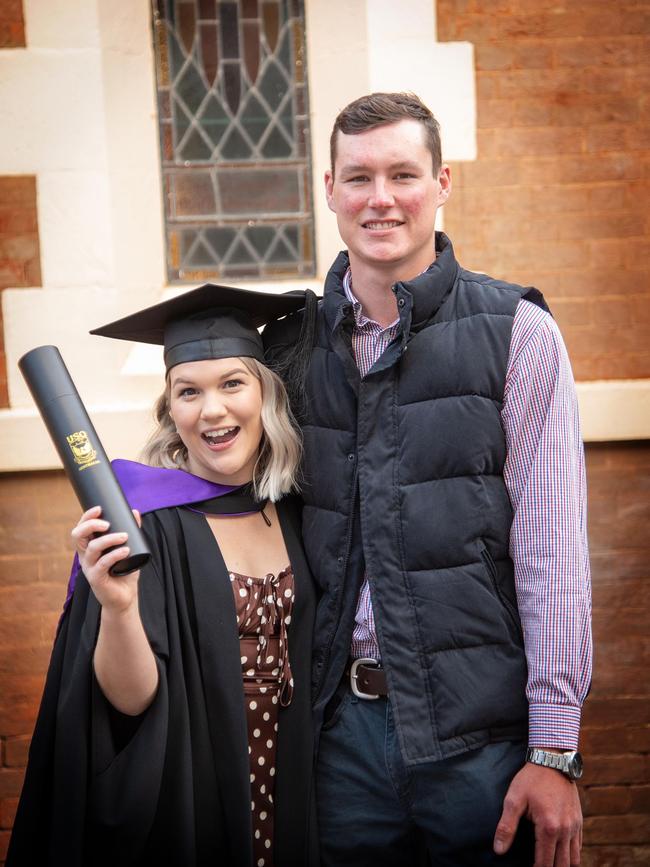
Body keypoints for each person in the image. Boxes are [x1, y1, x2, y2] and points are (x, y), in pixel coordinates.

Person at [264, 92, 592, 867]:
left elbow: (552, 557)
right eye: (359, 177)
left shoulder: (519, 333)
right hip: (334, 739)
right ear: (329, 190)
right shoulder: (286, 349)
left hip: (480, 748)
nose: (380, 198)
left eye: (403, 174)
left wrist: (555, 750)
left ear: (442, 182)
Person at [8, 284, 319, 867]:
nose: (212, 409)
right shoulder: (147, 522)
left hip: (300, 784)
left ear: (265, 395)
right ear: (171, 411)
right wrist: (120, 607)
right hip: (198, 788)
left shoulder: (298, 510)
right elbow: (129, 703)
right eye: (188, 392)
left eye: (232, 383)